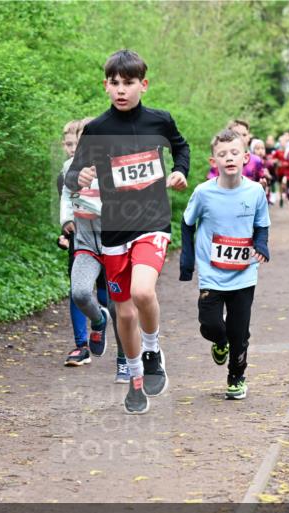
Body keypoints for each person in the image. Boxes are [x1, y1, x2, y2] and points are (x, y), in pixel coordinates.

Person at [65, 49, 190, 414]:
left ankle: (152, 349)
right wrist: (80, 176)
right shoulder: (97, 129)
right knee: (124, 314)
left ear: (143, 85)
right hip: (114, 231)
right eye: (114, 83)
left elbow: (180, 147)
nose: (121, 90)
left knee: (142, 291)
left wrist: (180, 170)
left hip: (152, 222)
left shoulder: (159, 121)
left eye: (129, 83)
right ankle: (136, 379)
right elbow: (73, 175)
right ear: (106, 86)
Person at [179, 130, 270, 399]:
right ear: (213, 161)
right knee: (211, 325)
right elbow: (187, 223)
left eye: (234, 153)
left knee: (239, 331)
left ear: (246, 157)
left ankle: (236, 377)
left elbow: (262, 224)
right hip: (211, 273)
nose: (229, 158)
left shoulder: (255, 191)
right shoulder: (203, 193)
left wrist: (262, 245)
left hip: (244, 273)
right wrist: (187, 261)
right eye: (222, 154)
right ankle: (219, 342)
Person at [60, 118, 130, 382]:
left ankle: (124, 360)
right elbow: (67, 194)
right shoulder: (70, 167)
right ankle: (97, 321)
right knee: (79, 292)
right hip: (86, 241)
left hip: (116, 242)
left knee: (118, 305)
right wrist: (66, 220)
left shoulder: (121, 167)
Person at [58, 120, 93, 366]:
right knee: (77, 289)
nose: (74, 148)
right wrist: (65, 225)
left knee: (106, 292)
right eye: (69, 144)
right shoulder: (67, 171)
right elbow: (65, 201)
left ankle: (121, 347)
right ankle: (81, 345)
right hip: (78, 236)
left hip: (108, 236)